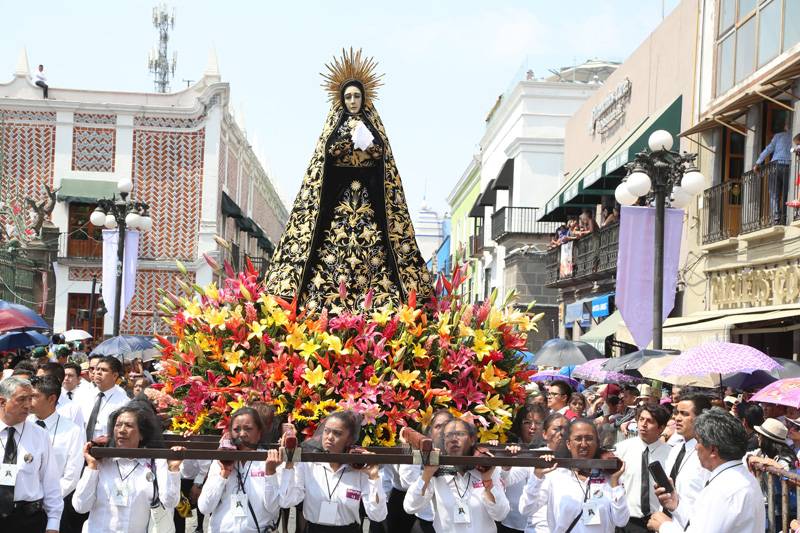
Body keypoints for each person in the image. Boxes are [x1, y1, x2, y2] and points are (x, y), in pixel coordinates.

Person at [264, 49, 432, 313]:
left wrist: (367, 142)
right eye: (348, 97)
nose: (353, 101)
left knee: (377, 252)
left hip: (368, 202)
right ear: (342, 100)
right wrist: (346, 139)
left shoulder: (371, 124)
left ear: (364, 98)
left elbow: (381, 154)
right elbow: (327, 153)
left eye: (356, 96)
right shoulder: (337, 124)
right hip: (339, 202)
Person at [648, 408, 765, 532]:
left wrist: (664, 526)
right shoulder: (739, 478)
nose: (696, 447)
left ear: (713, 450)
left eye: (698, 441)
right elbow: (703, 523)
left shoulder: (723, 489)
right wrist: (676, 506)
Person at [73, 403, 184, 533]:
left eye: (129, 425)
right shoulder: (101, 461)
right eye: (118, 425)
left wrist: (173, 469)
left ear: (142, 434)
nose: (122, 430)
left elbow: (170, 502)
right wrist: (91, 466)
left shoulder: (155, 462)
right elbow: (80, 506)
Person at [280, 411, 387, 531]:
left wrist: (374, 477)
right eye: (326, 431)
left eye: (337, 433)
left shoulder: (359, 469)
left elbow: (378, 515)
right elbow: (286, 501)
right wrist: (289, 465)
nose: (329, 437)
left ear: (349, 439)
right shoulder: (309, 465)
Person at [520, 418, 628, 532]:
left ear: (597, 443)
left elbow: (621, 521)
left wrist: (616, 483)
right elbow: (526, 509)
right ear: (568, 444)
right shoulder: (555, 475)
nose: (584, 444)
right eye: (578, 439)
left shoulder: (608, 476)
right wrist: (537, 478)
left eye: (589, 439)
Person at [404, 418, 510, 532]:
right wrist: (427, 474)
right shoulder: (436, 473)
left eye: (460, 434)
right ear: (444, 442)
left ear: (472, 439)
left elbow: (501, 515)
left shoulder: (487, 469)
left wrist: (487, 481)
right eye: (448, 435)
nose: (454, 439)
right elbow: (410, 507)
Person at [198, 407, 281, 533]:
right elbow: (204, 507)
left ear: (259, 433)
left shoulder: (269, 460)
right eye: (236, 430)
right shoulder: (221, 460)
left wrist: (270, 473)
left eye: (248, 429)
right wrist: (224, 473)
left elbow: (273, 508)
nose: (242, 434)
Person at [0, 377, 62, 532]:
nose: (28, 405)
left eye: (31, 398)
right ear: (2, 402)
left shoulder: (40, 435)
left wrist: (53, 523)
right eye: (21, 399)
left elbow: (51, 481)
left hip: (28, 520)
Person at [28, 375, 85, 533]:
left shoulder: (72, 431)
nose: (28, 400)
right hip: (23, 507)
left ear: (51, 398)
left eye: (34, 396)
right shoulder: (23, 426)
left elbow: (71, 475)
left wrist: (47, 499)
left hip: (55, 505)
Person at [613, 404, 671, 533]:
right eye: (641, 419)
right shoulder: (621, 449)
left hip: (657, 522)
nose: (643, 424)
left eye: (650, 421)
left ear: (661, 428)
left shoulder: (671, 454)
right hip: (627, 521)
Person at [398, 409, 453, 533]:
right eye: (438, 426)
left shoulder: (463, 453)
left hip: (454, 525)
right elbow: (407, 482)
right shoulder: (421, 453)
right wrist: (410, 448)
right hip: (426, 523)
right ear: (429, 433)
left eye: (448, 424)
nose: (444, 429)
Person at [661, 393, 712, 527]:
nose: (677, 418)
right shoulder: (675, 450)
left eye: (684, 414)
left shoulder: (709, 456)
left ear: (701, 418)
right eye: (677, 413)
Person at [80, 356, 129, 443]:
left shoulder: (124, 402)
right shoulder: (83, 395)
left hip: (108, 452)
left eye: (104, 370)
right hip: (81, 449)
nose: (98, 372)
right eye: (97, 369)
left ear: (114, 375)